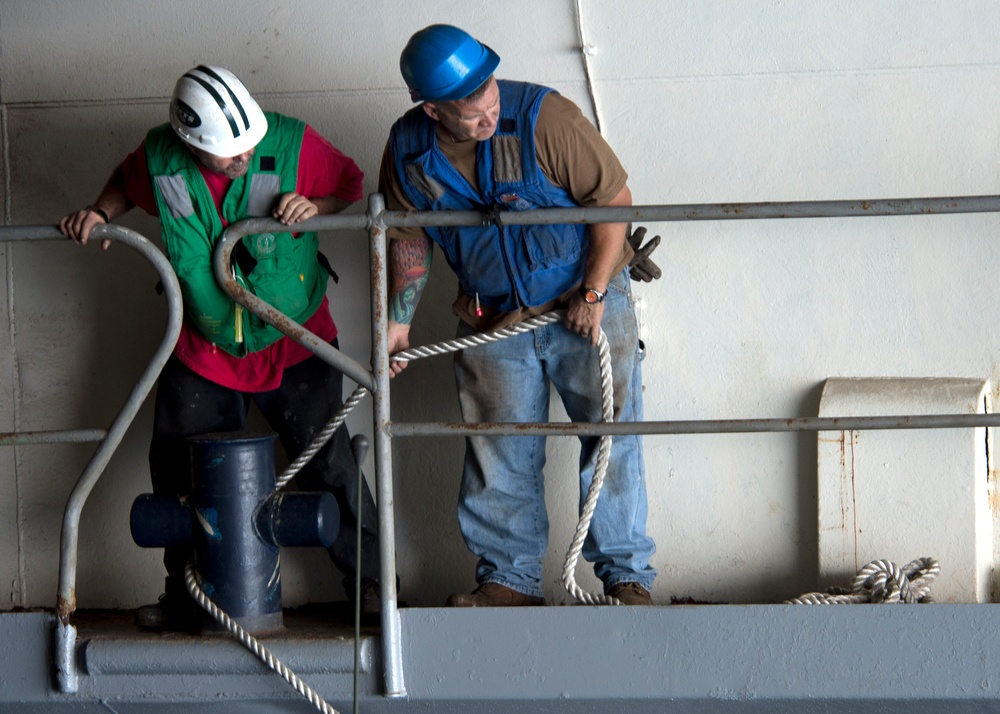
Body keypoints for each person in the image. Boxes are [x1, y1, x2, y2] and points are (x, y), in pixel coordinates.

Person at [60, 65, 384, 629]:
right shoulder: (160, 154)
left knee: (327, 463)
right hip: (203, 344)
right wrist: (100, 212)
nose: (241, 159)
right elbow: (124, 179)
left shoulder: (290, 140)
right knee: (179, 468)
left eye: (246, 149)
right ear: (189, 142)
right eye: (227, 156)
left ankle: (376, 586)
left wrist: (316, 207)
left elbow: (349, 184)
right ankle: (188, 594)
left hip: (295, 336)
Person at [380, 25, 657, 606]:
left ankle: (626, 578)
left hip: (582, 299)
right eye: (470, 106)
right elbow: (407, 236)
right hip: (493, 316)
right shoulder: (408, 150)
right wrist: (398, 322)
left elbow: (615, 201)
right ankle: (509, 582)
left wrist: (595, 293)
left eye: (489, 90)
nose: (487, 108)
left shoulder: (544, 118)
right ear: (433, 109)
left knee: (610, 437)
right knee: (496, 444)